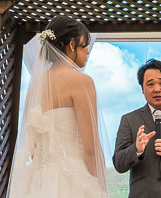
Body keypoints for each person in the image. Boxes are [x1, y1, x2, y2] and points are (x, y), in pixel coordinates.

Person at [7, 15, 109, 198]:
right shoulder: (81, 82)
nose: (87, 51)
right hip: (71, 180)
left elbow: (34, 144)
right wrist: (98, 186)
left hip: (37, 182)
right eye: (85, 45)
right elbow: (91, 148)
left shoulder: (37, 85)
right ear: (71, 44)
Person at [113, 59, 161, 197]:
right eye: (150, 84)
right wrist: (136, 150)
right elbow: (119, 164)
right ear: (142, 89)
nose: (157, 89)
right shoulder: (128, 120)